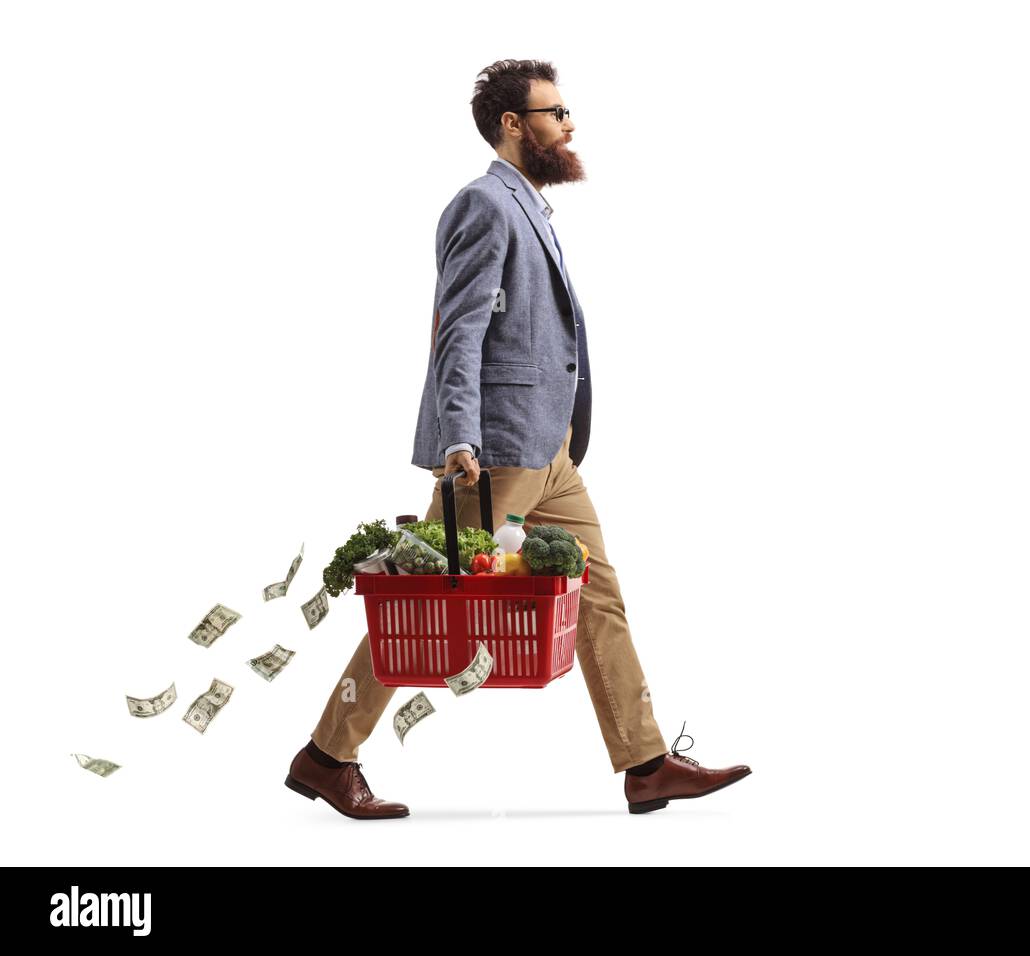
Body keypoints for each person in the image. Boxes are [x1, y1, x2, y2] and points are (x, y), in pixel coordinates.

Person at [285, 59, 751, 818]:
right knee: (423, 601)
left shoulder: (528, 204)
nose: (568, 123)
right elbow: (458, 332)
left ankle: (645, 762)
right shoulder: (484, 205)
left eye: (567, 111)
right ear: (512, 124)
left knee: (598, 595)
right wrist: (458, 435)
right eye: (554, 111)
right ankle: (327, 755)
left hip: (551, 449)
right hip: (496, 449)